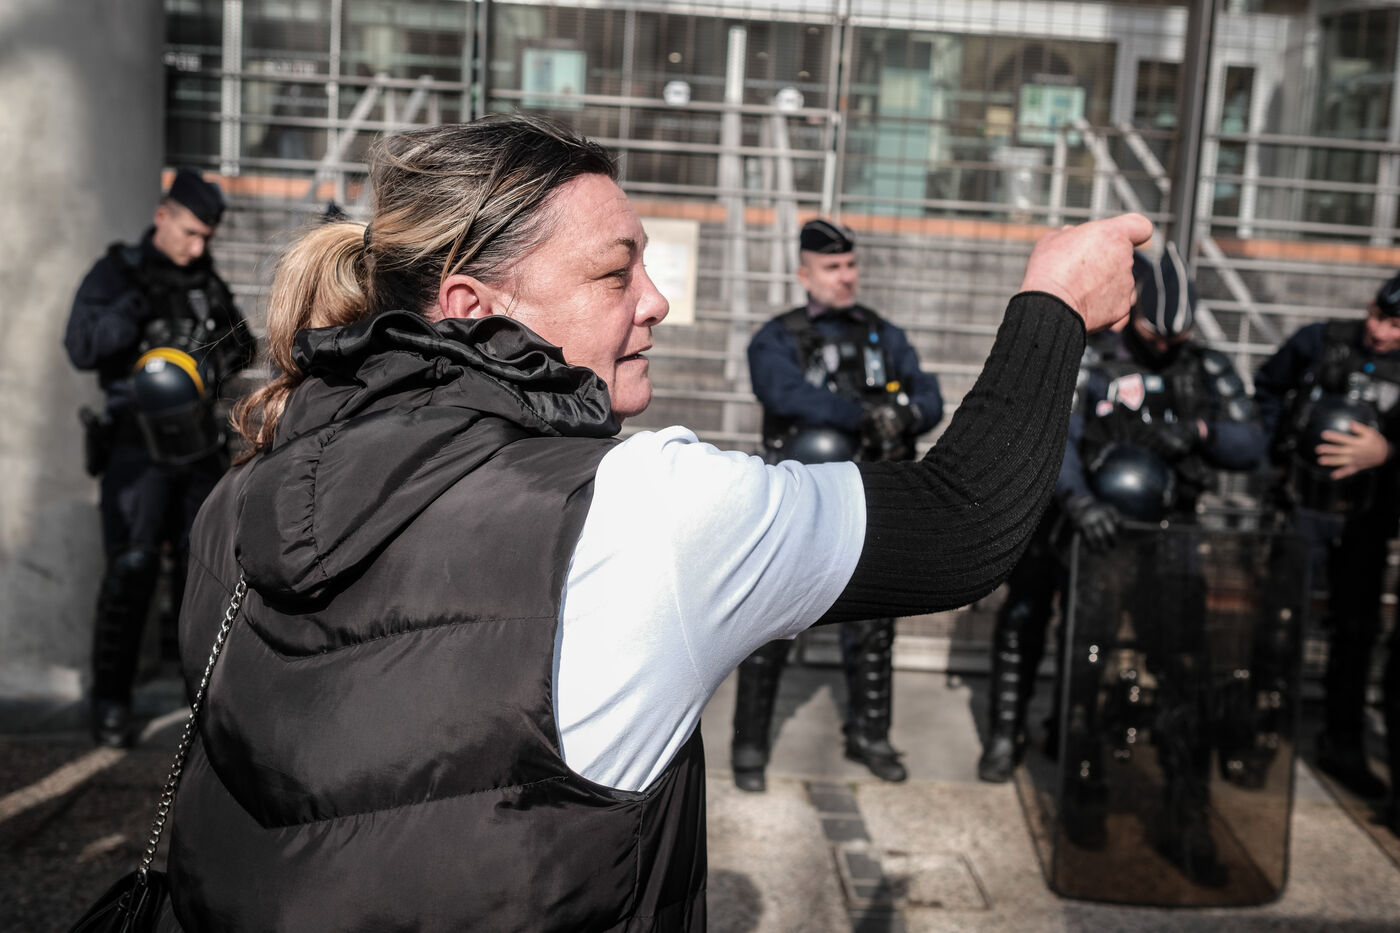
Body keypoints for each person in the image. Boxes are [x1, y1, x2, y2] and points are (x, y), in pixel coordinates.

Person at [158, 114, 1148, 931]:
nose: (658, 300)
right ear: (468, 307)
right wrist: (1054, 301)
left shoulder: (239, 495)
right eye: (614, 273)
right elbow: (962, 521)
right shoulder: (641, 509)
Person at [976, 245, 1266, 884]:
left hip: (1170, 539)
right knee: (1085, 657)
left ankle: (1187, 811)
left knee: (1184, 670)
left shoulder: (1205, 367)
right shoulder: (1096, 359)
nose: (1164, 346)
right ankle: (1078, 786)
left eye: (1176, 336)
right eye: (1156, 333)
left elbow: (1252, 441)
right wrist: (1078, 500)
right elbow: (1057, 432)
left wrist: (1202, 434)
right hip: (1095, 534)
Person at [729, 218, 945, 791]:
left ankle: (870, 735)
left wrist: (905, 415)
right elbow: (783, 394)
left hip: (871, 500)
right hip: (796, 506)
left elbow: (930, 394)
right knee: (770, 624)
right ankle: (749, 747)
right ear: (805, 274)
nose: (845, 276)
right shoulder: (777, 338)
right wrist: (863, 416)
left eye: (850, 265)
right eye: (832, 267)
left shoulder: (883, 335)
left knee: (875, 625)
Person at [64, 168, 255, 748]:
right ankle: (111, 703)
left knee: (205, 575)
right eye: (191, 233)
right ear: (162, 216)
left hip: (194, 446)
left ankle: (201, 706)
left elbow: (242, 344)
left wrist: (209, 361)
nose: (197, 248)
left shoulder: (204, 282)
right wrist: (135, 307)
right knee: (131, 569)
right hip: (136, 447)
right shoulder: (119, 272)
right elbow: (82, 346)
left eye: (206, 238)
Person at [1253, 272, 1400, 829]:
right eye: (1379, 317)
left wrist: (1388, 452)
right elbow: (1267, 387)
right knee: (1277, 621)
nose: (1381, 332)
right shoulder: (1321, 340)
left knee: (1355, 634)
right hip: (1302, 508)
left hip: (1366, 520)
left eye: (1396, 326)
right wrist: (1278, 454)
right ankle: (1257, 734)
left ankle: (1343, 743)